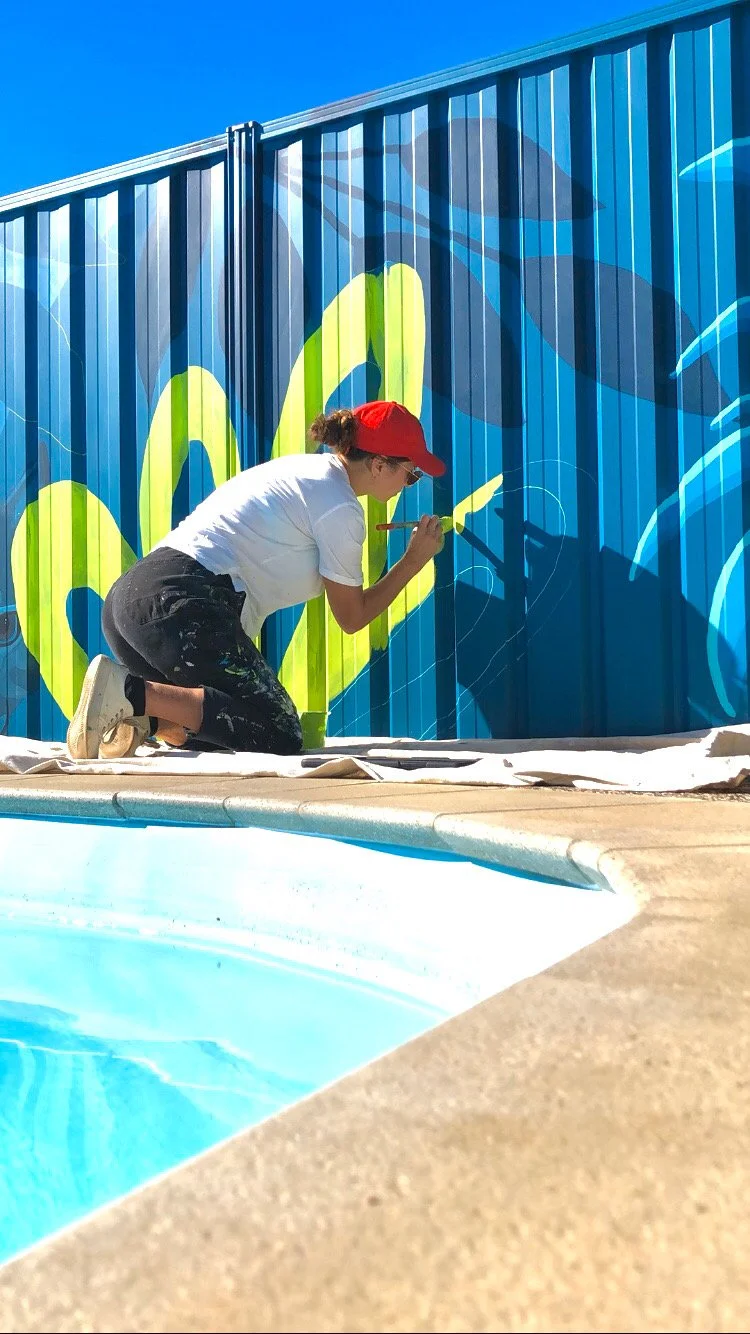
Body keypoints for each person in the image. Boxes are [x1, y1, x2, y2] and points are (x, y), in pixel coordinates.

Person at [66, 400, 446, 760]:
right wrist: (413, 561)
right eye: (411, 474)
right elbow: (352, 617)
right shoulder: (339, 506)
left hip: (133, 602)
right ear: (378, 465)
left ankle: (140, 718)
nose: (409, 484)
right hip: (179, 600)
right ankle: (130, 692)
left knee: (227, 729)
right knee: (280, 730)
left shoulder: (302, 472)